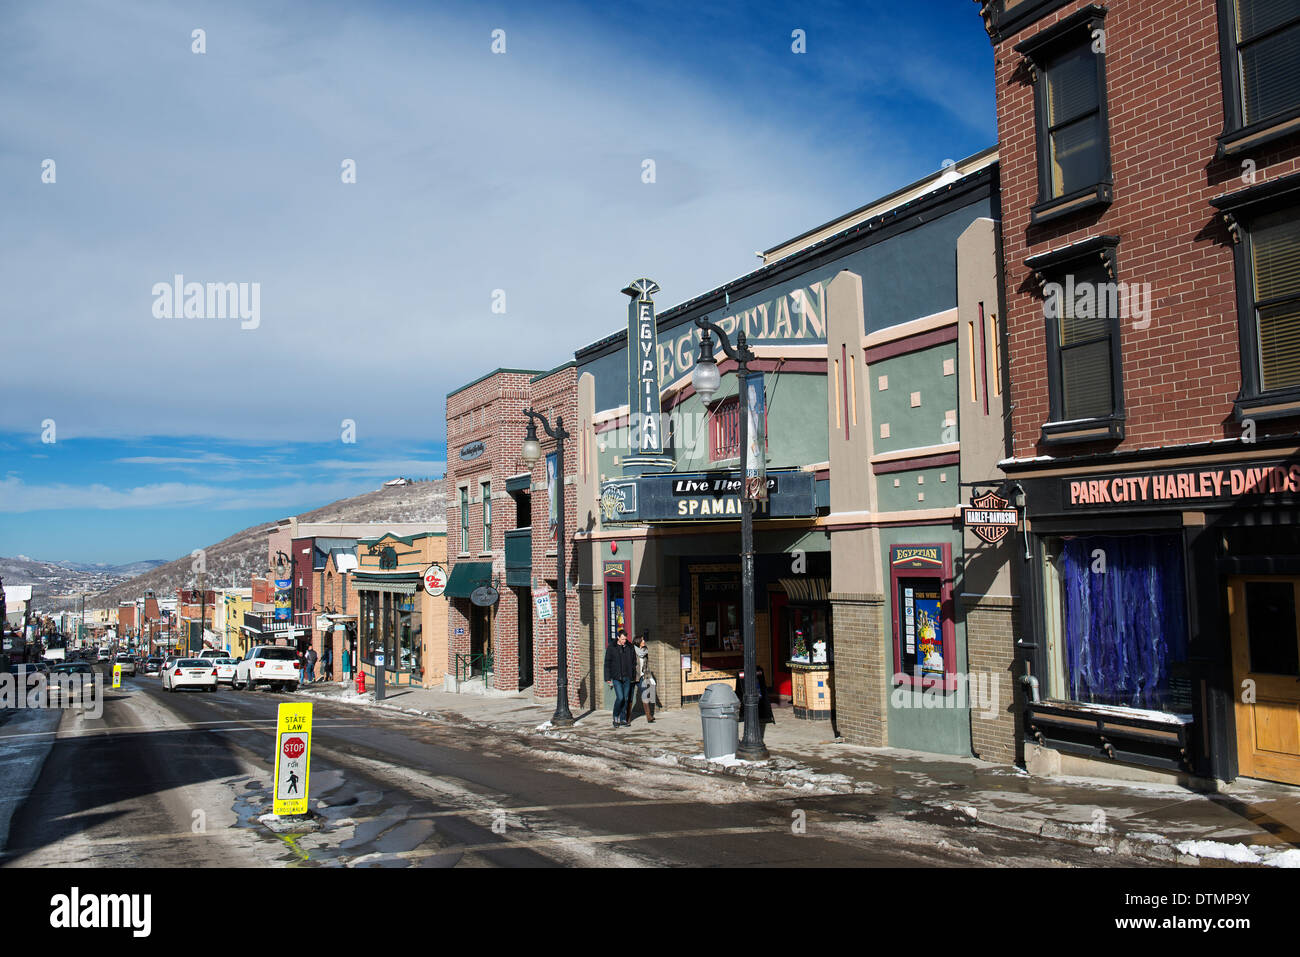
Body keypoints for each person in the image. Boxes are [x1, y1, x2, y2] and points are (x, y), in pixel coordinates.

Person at [604, 629, 637, 729]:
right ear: (618, 637)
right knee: (620, 697)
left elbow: (633, 662)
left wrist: (633, 674)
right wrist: (607, 677)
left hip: (627, 676)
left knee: (626, 699)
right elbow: (607, 663)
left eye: (625, 639)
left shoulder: (630, 647)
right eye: (622, 639)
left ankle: (623, 718)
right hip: (616, 677)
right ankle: (615, 716)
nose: (624, 641)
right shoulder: (612, 648)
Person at [634, 632, 657, 723]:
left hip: (641, 677)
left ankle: (649, 716)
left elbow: (646, 666)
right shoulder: (632, 651)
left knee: (645, 695)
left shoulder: (645, 651)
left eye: (643, 640)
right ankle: (626, 718)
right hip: (633, 677)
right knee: (627, 697)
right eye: (642, 640)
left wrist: (650, 677)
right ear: (638, 641)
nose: (644, 641)